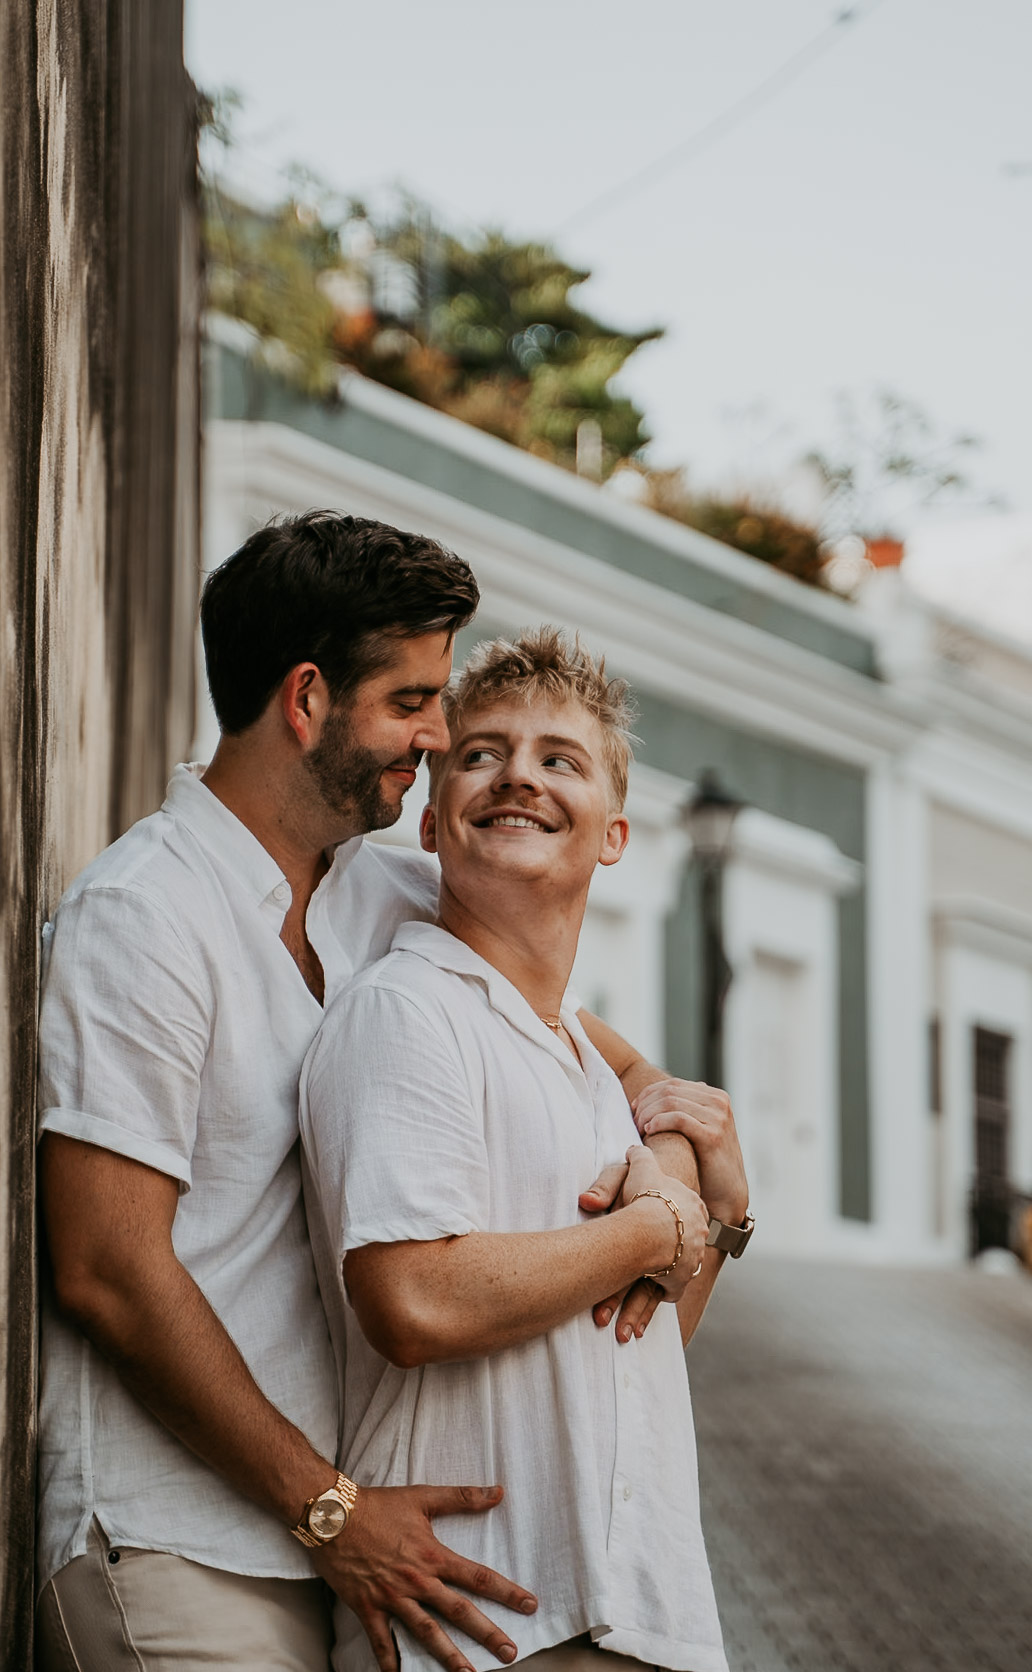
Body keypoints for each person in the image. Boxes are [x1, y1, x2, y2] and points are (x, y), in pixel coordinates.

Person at [35, 511, 742, 1672]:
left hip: (321, 1548)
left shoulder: (377, 887)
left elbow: (584, 1039)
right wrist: (329, 1508)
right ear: (309, 700)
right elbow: (108, 1269)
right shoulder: (145, 914)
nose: (437, 734)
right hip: (172, 1544)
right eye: (415, 702)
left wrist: (675, 1149)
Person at [301, 629, 751, 1672]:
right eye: (481, 753)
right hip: (482, 1626)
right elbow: (413, 1298)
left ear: (614, 836)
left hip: (637, 1614)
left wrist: (720, 1221)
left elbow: (631, 1349)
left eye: (561, 760)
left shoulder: (589, 1068)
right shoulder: (409, 1012)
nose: (518, 777)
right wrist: (656, 1225)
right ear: (432, 816)